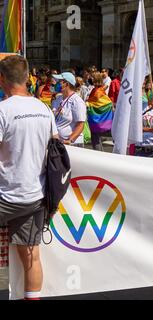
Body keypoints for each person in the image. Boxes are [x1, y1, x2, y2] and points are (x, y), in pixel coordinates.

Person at [0, 55, 58, 300]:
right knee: (31, 256)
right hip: (34, 195)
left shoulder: (3, 110)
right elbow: (55, 148)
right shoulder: (44, 109)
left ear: (2, 79)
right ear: (27, 78)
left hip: (4, 195)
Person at [52, 72, 87, 147]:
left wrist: (70, 140)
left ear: (66, 84)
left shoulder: (77, 101)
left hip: (72, 143)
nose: (56, 84)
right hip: (58, 142)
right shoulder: (58, 99)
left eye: (59, 82)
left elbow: (80, 124)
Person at [86, 72, 114, 151]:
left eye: (92, 77)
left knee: (95, 139)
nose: (90, 79)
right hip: (96, 118)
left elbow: (100, 103)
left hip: (96, 119)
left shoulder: (97, 91)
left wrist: (87, 104)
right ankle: (100, 154)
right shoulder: (98, 89)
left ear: (95, 79)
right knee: (96, 139)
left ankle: (99, 155)